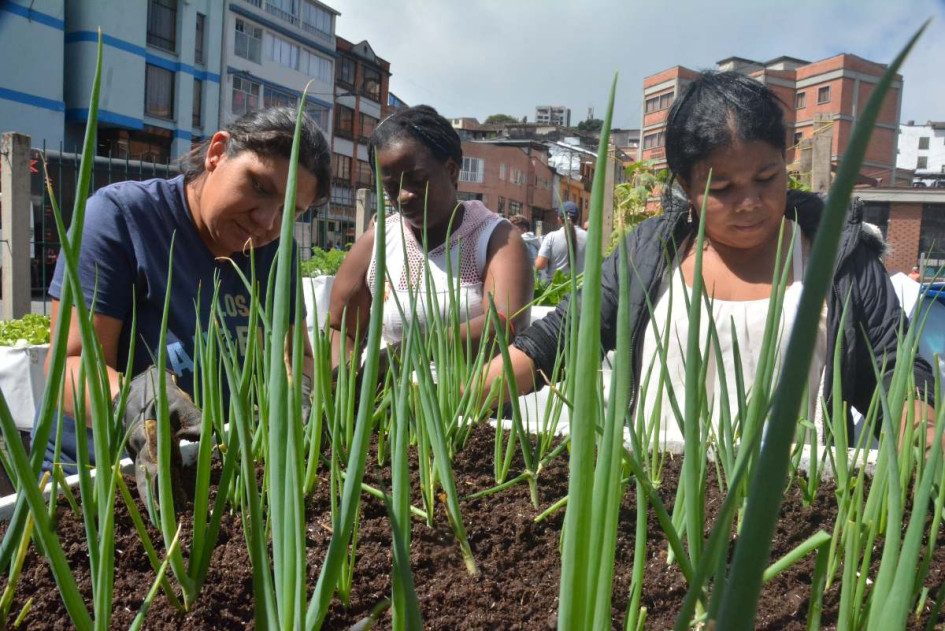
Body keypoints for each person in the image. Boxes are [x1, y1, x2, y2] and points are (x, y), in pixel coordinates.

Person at [485, 71, 935, 446]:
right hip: (649, 513)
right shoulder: (651, 254)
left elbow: (894, 371)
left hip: (794, 508)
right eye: (721, 189)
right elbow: (563, 336)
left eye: (766, 178)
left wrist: (924, 427)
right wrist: (464, 395)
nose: (749, 202)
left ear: (785, 161)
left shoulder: (839, 261)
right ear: (685, 186)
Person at [36, 107, 331, 504]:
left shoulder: (278, 254)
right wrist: (140, 405)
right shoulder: (123, 218)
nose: (266, 221)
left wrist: (304, 397)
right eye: (260, 187)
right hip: (98, 482)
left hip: (209, 472)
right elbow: (68, 367)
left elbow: (297, 355)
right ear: (217, 152)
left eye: (290, 211)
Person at [328, 104, 532, 363]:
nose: (403, 196)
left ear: (451, 170)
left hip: (470, 400)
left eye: (417, 179)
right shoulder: (379, 241)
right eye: (391, 187)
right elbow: (340, 327)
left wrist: (408, 354)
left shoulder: (496, 238)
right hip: (385, 397)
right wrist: (346, 381)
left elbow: (507, 325)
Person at [535, 201, 587, 280]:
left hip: (555, 290)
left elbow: (540, 265)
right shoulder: (589, 237)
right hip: (580, 289)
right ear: (578, 217)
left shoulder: (551, 237)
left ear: (559, 219)